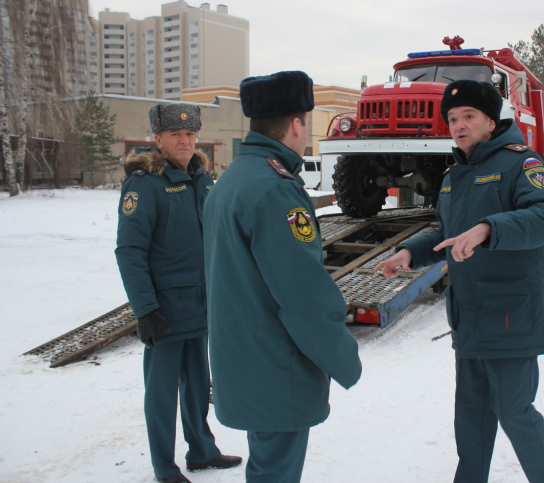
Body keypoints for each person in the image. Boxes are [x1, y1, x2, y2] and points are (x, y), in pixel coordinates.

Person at [375, 80, 544, 483]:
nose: (459, 125)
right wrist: (410, 252)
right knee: (471, 412)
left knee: (515, 411)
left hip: (511, 312)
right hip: (469, 313)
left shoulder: (523, 163)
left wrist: (488, 228)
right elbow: (448, 232)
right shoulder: (456, 174)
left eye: (469, 116)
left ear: (489, 120)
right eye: (453, 118)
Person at [202, 71, 362, 483]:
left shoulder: (230, 181)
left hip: (242, 358)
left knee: (266, 463)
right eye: (305, 121)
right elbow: (302, 292)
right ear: (296, 124)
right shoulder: (276, 189)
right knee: (275, 471)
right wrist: (343, 356)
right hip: (275, 363)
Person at [115, 103, 241, 483]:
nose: (184, 141)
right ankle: (164, 467)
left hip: (201, 305)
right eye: (175, 135)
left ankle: (201, 451)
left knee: (198, 386)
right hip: (165, 311)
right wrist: (145, 310)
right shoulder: (144, 184)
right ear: (157, 139)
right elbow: (129, 252)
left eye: (189, 134)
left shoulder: (203, 179)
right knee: (161, 394)